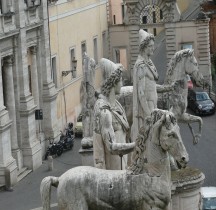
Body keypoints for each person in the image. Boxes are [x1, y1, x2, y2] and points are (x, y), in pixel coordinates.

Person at [132, 29, 174, 142]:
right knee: (152, 139)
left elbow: (152, 86)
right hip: (148, 108)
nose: (153, 48)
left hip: (153, 104)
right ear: (144, 47)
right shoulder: (141, 66)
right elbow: (141, 94)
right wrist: (149, 115)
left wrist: (169, 88)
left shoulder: (149, 63)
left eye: (153, 45)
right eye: (150, 46)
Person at [93, 58, 135, 170]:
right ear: (113, 82)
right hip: (113, 170)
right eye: (120, 80)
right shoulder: (105, 111)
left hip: (123, 163)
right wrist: (136, 145)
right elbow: (111, 147)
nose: (122, 83)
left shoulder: (116, 105)